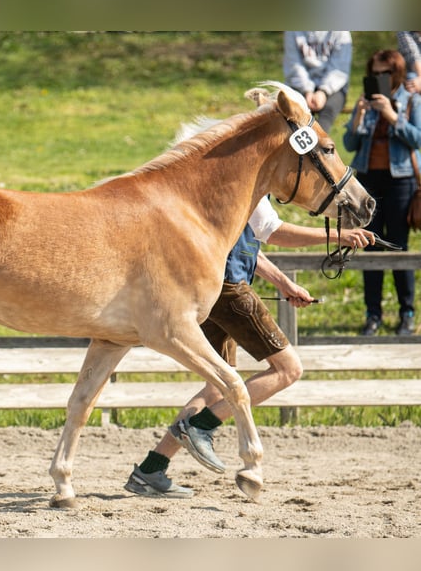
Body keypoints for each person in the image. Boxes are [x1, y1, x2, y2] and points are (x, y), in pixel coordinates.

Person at [124, 197, 375, 497]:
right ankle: (200, 426)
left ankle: (151, 468)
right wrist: (338, 235)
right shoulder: (251, 178)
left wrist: (284, 283)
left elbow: (250, 241)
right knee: (288, 369)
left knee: (216, 388)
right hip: (230, 289)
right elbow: (273, 231)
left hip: (217, 287)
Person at [343, 49, 421, 337]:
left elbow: (419, 138)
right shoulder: (365, 103)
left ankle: (407, 313)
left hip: (400, 181)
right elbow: (349, 143)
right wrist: (359, 115)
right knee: (369, 246)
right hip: (366, 183)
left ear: (397, 74)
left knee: (399, 247)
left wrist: (392, 116)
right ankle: (372, 314)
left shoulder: (411, 101)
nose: (380, 79)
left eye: (386, 74)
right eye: (375, 74)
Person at [283, 31, 352, 133]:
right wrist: (307, 90)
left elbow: (339, 69)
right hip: (299, 85)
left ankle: (317, 145)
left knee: (329, 110)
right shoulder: (292, 32)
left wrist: (323, 91)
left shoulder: (341, 32)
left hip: (333, 86)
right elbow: (294, 65)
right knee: (290, 112)